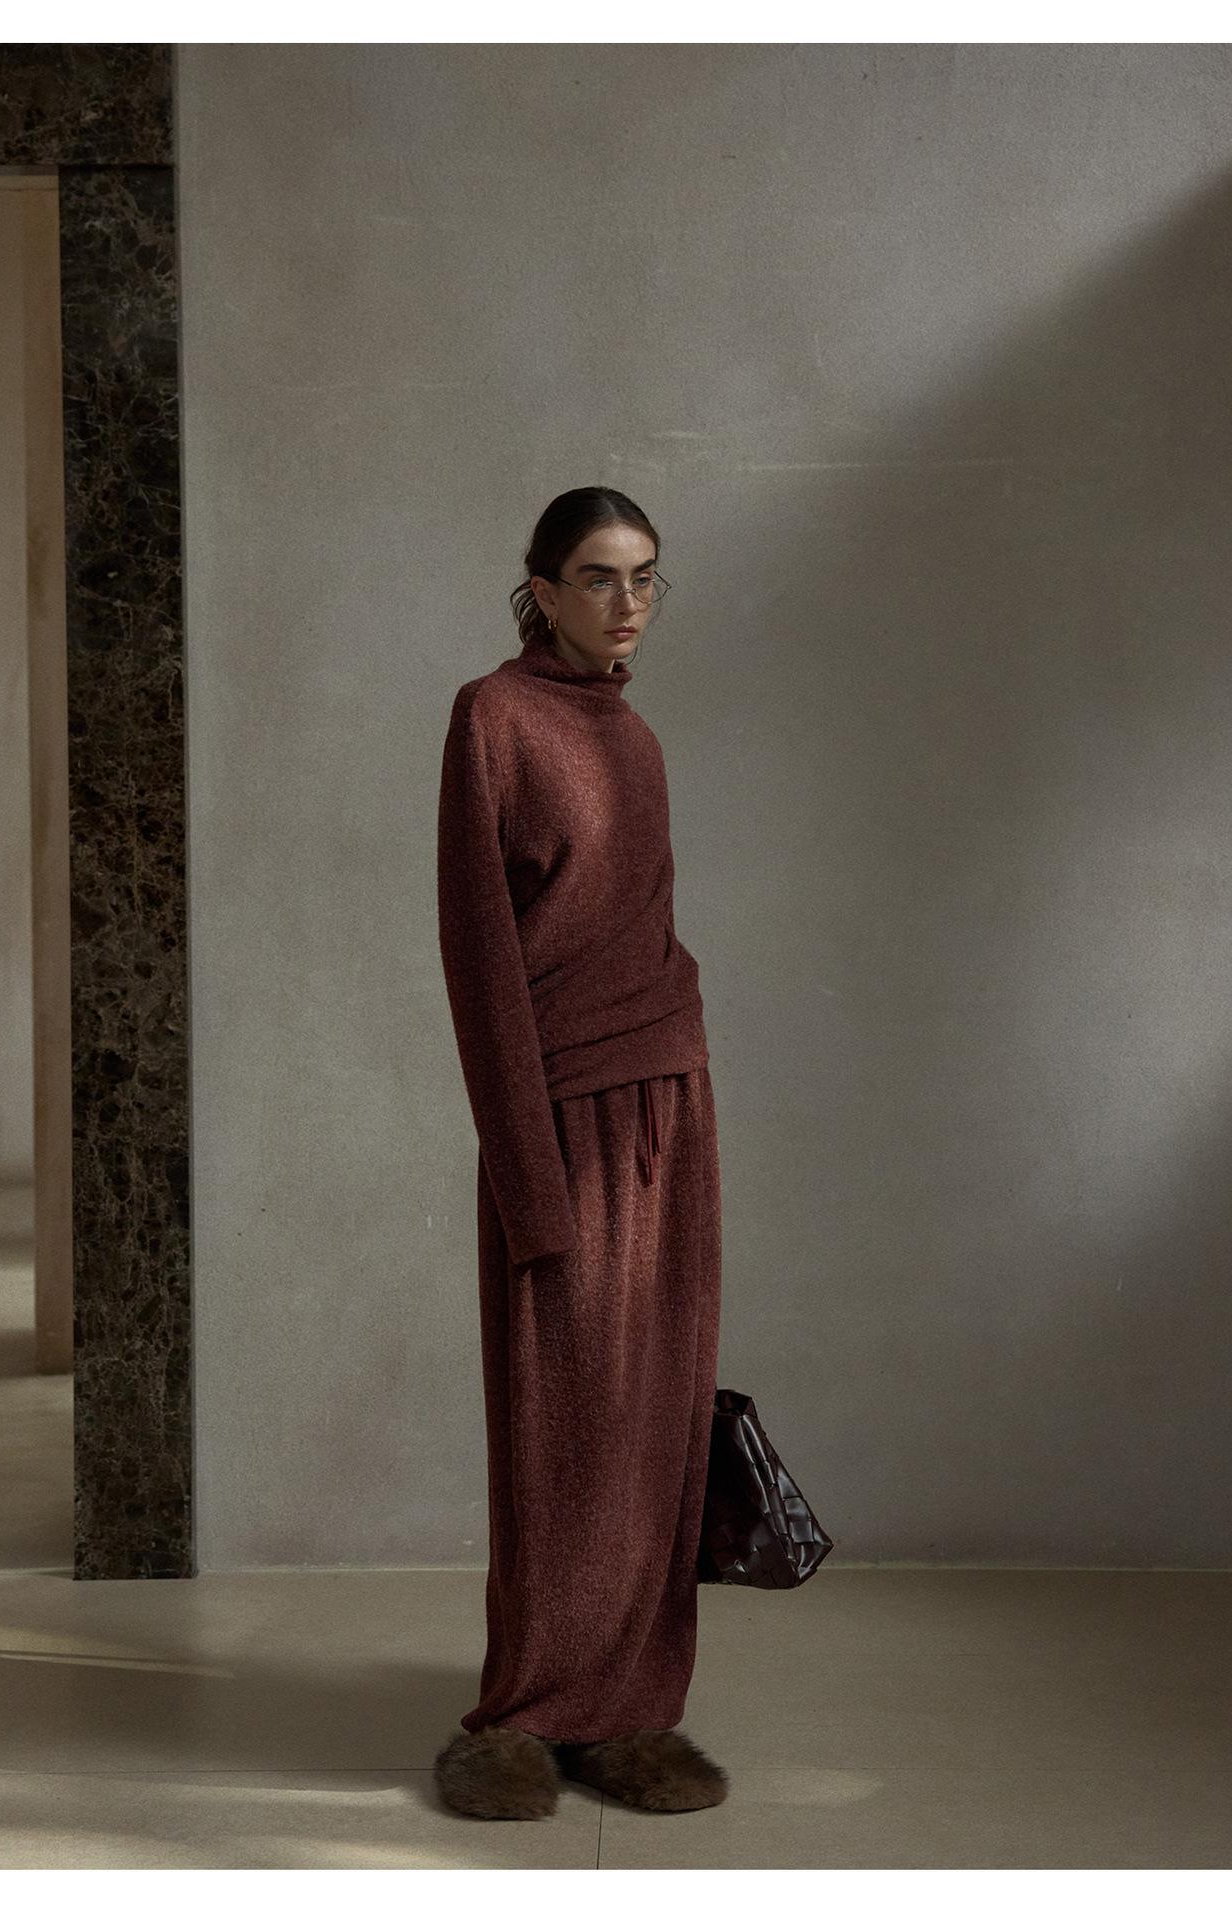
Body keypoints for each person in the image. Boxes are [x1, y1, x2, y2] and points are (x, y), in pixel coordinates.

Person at [433, 487, 727, 1819]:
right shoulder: (492, 719)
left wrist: (682, 1066)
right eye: (599, 577)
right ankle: (523, 1710)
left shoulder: (640, 739)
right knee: (562, 1423)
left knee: (655, 1418)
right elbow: (481, 959)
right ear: (541, 589)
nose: (627, 603)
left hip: (671, 1096)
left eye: (646, 577)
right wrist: (523, 1172)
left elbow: (643, 926)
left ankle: (629, 1712)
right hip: (558, 1110)